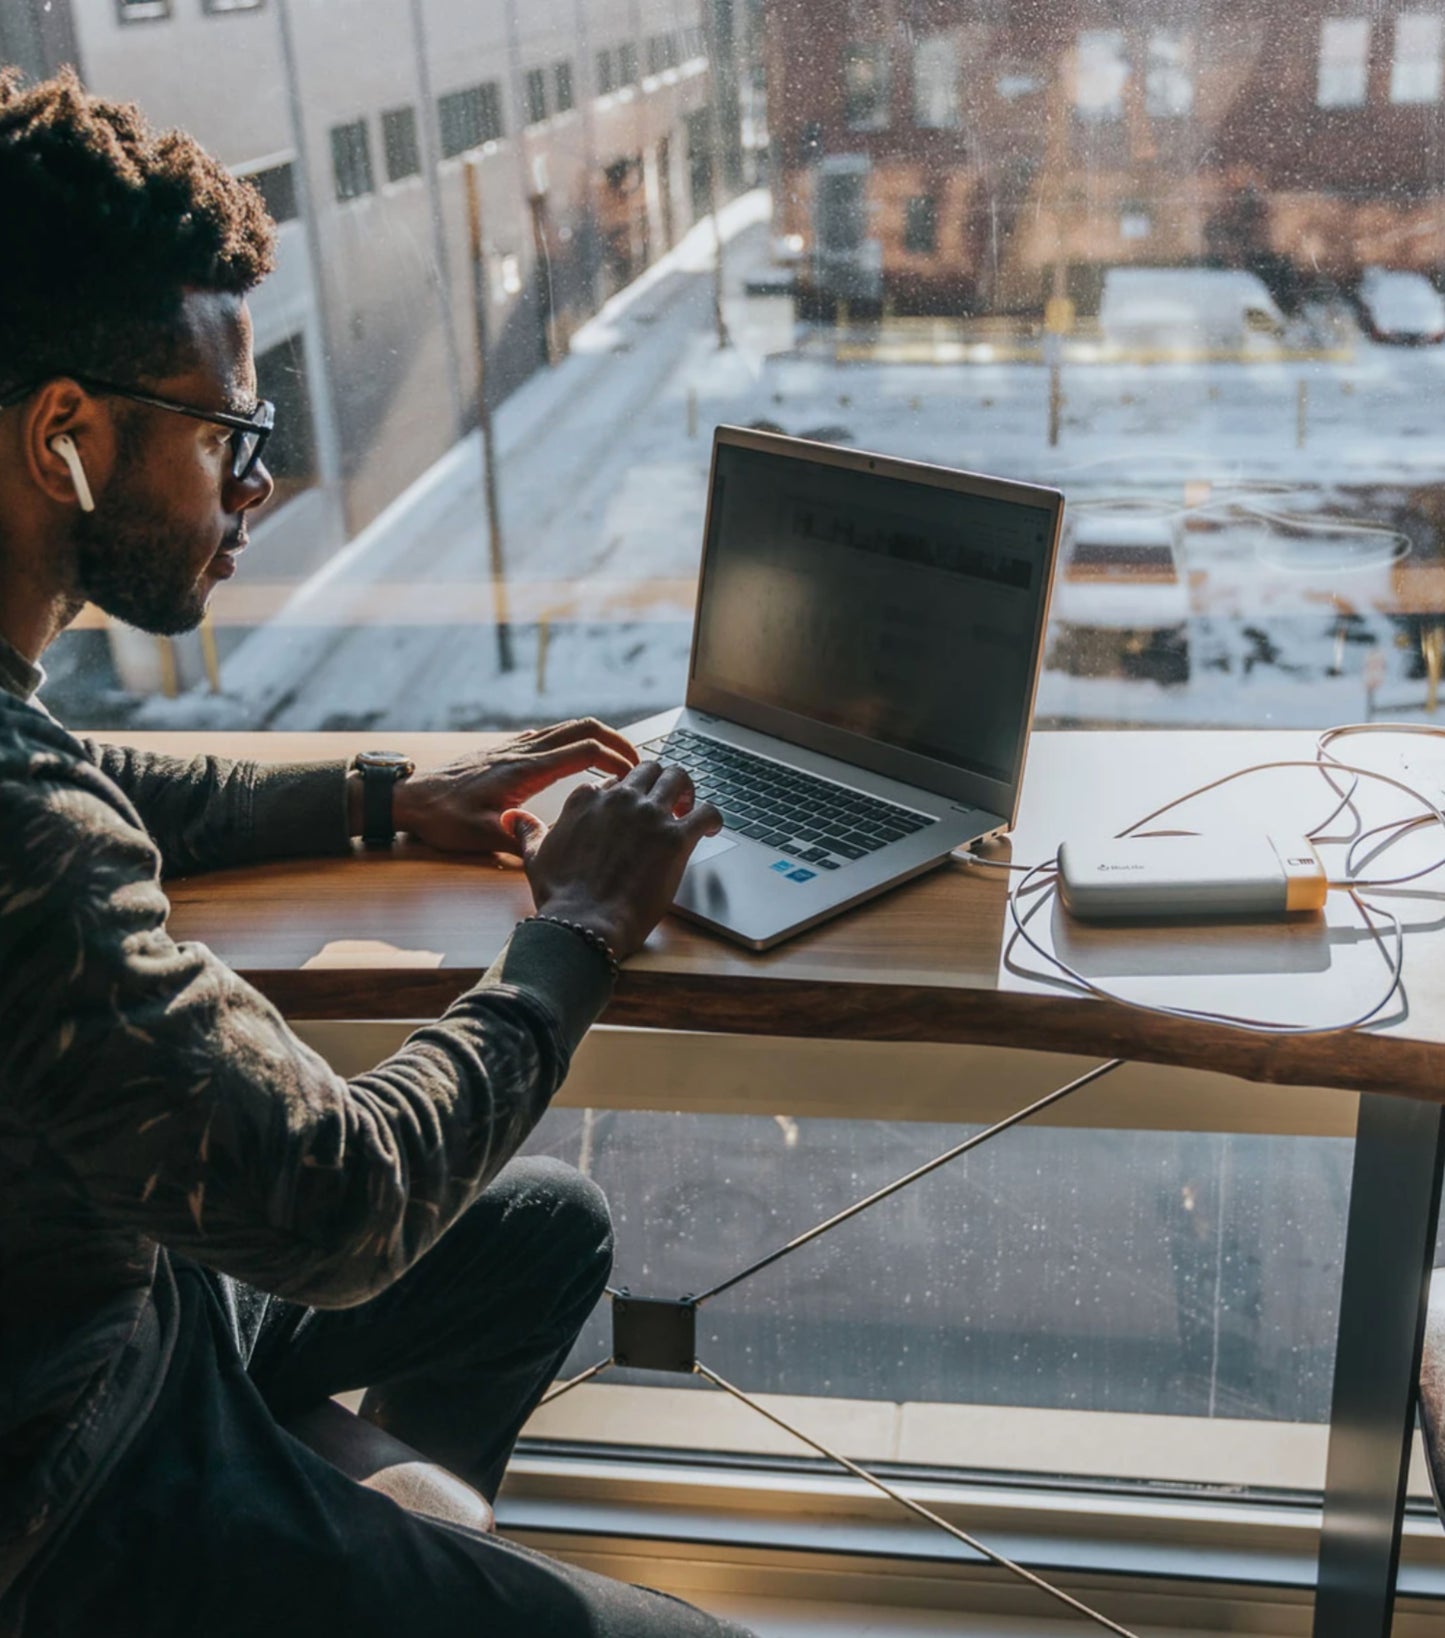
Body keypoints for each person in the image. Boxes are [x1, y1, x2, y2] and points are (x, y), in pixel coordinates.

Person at [0, 68, 753, 1638]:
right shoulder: (23, 836)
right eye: (227, 428)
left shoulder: (26, 756)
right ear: (63, 435)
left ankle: (376, 1561)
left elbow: (91, 768)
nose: (256, 480)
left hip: (109, 1308)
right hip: (74, 1481)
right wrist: (580, 931)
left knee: (547, 1231)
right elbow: (336, 1207)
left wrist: (376, 793)